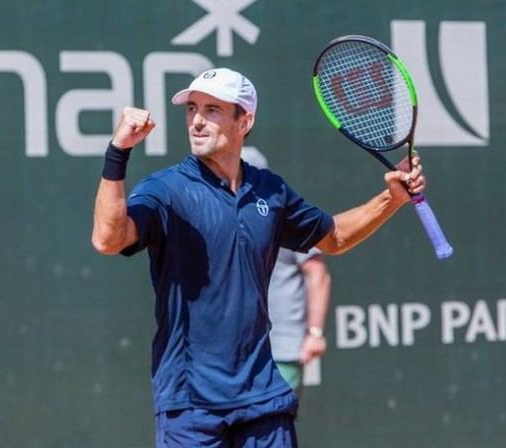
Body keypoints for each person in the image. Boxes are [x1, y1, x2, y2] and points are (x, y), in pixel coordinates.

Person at [91, 67, 426, 447]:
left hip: (263, 398)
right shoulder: (165, 190)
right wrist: (117, 154)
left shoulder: (270, 190)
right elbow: (108, 239)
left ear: (244, 121)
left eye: (213, 110)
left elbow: (333, 237)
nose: (197, 121)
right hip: (192, 404)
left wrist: (391, 199)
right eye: (192, 110)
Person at [241, 147, 331, 396]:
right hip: (233, 353)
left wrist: (315, 333)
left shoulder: (283, 216)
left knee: (275, 428)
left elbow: (317, 274)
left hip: (281, 347)